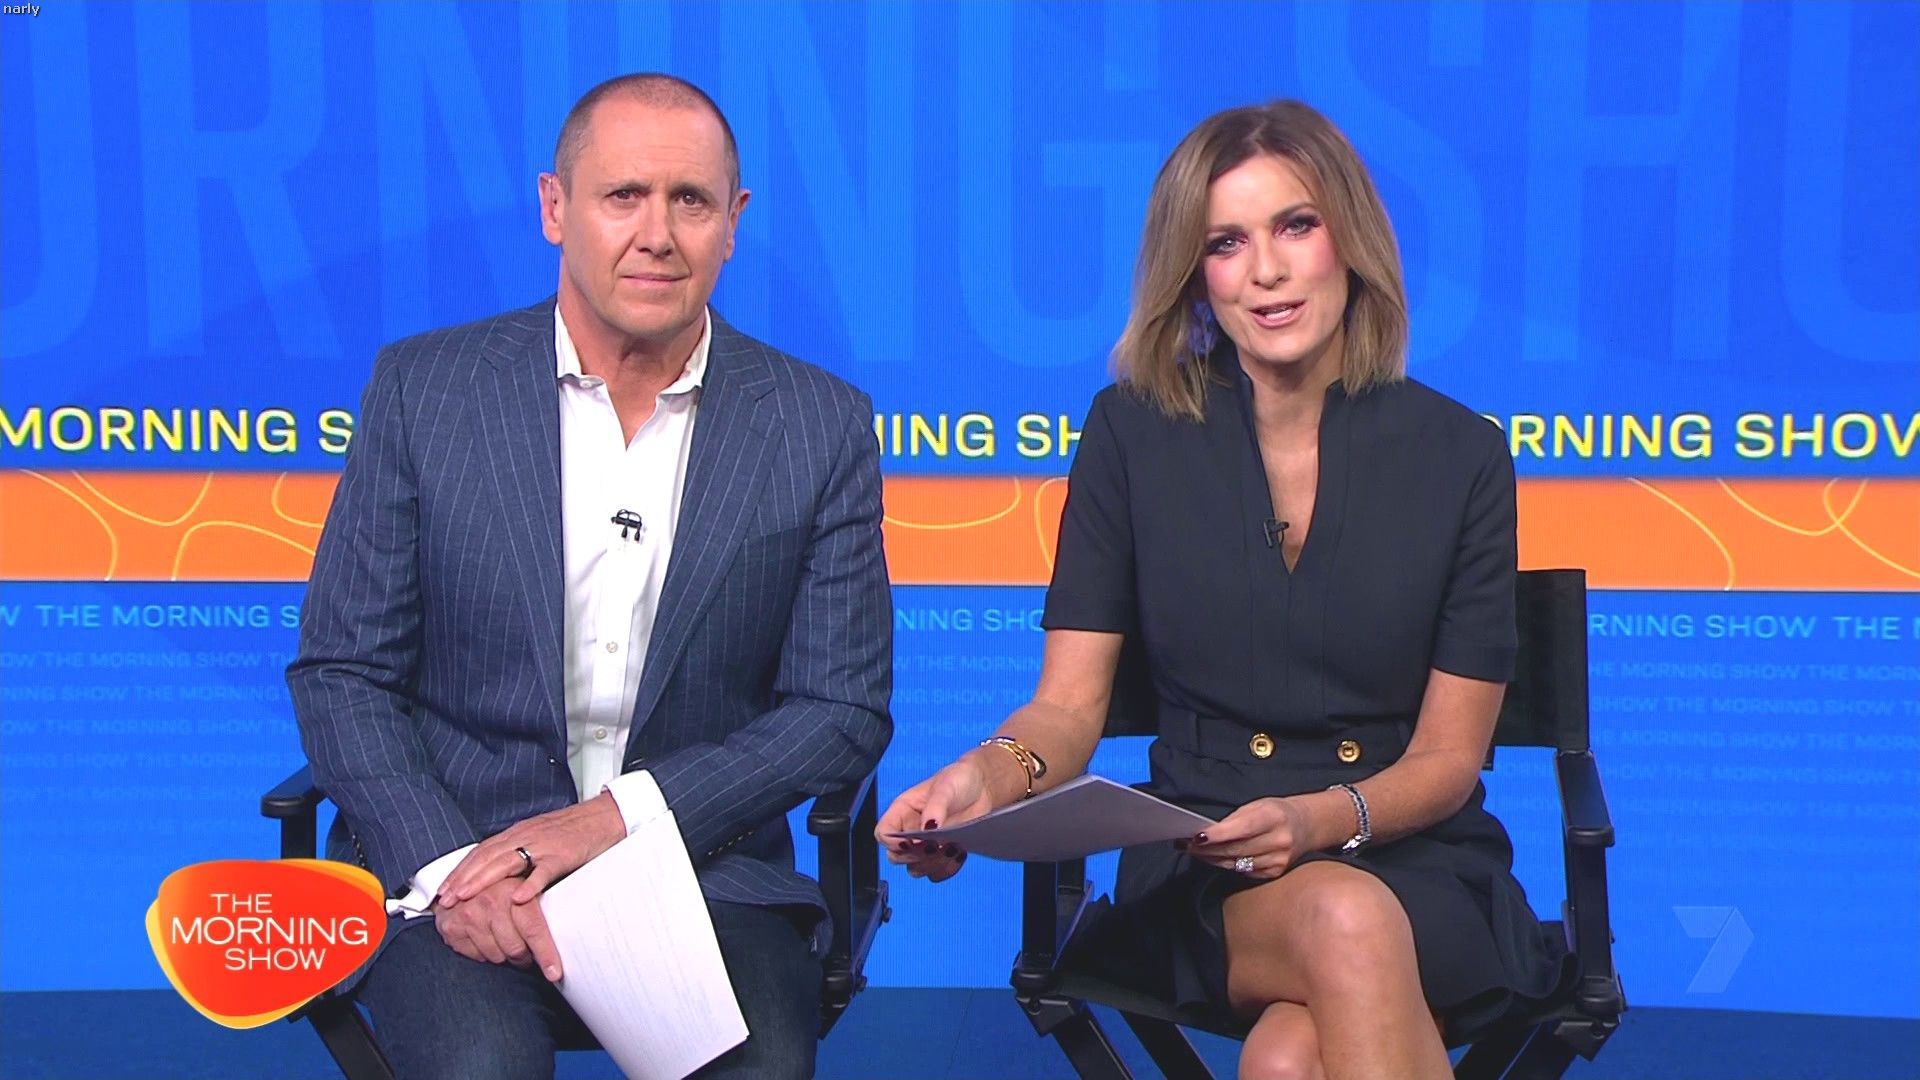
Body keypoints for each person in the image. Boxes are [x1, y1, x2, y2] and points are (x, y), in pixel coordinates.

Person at [877, 100, 1568, 1080]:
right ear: (1194, 272)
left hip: (1413, 857)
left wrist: (1319, 820)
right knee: (1345, 924)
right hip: (1204, 867)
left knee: (1289, 1059)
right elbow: (1065, 711)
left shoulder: (1461, 456)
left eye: (1296, 226)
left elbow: (1450, 760)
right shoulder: (1130, 435)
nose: (1267, 271)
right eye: (1226, 243)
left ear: (1350, 239)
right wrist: (979, 783)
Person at [289, 72, 891, 1080]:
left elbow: (840, 711)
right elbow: (343, 672)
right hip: (458, 857)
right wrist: (453, 870)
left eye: (690, 200)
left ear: (733, 223)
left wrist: (609, 823)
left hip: (701, 868)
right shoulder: (424, 392)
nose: (658, 234)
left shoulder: (817, 423)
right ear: (555, 207)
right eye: (623, 196)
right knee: (480, 1069)